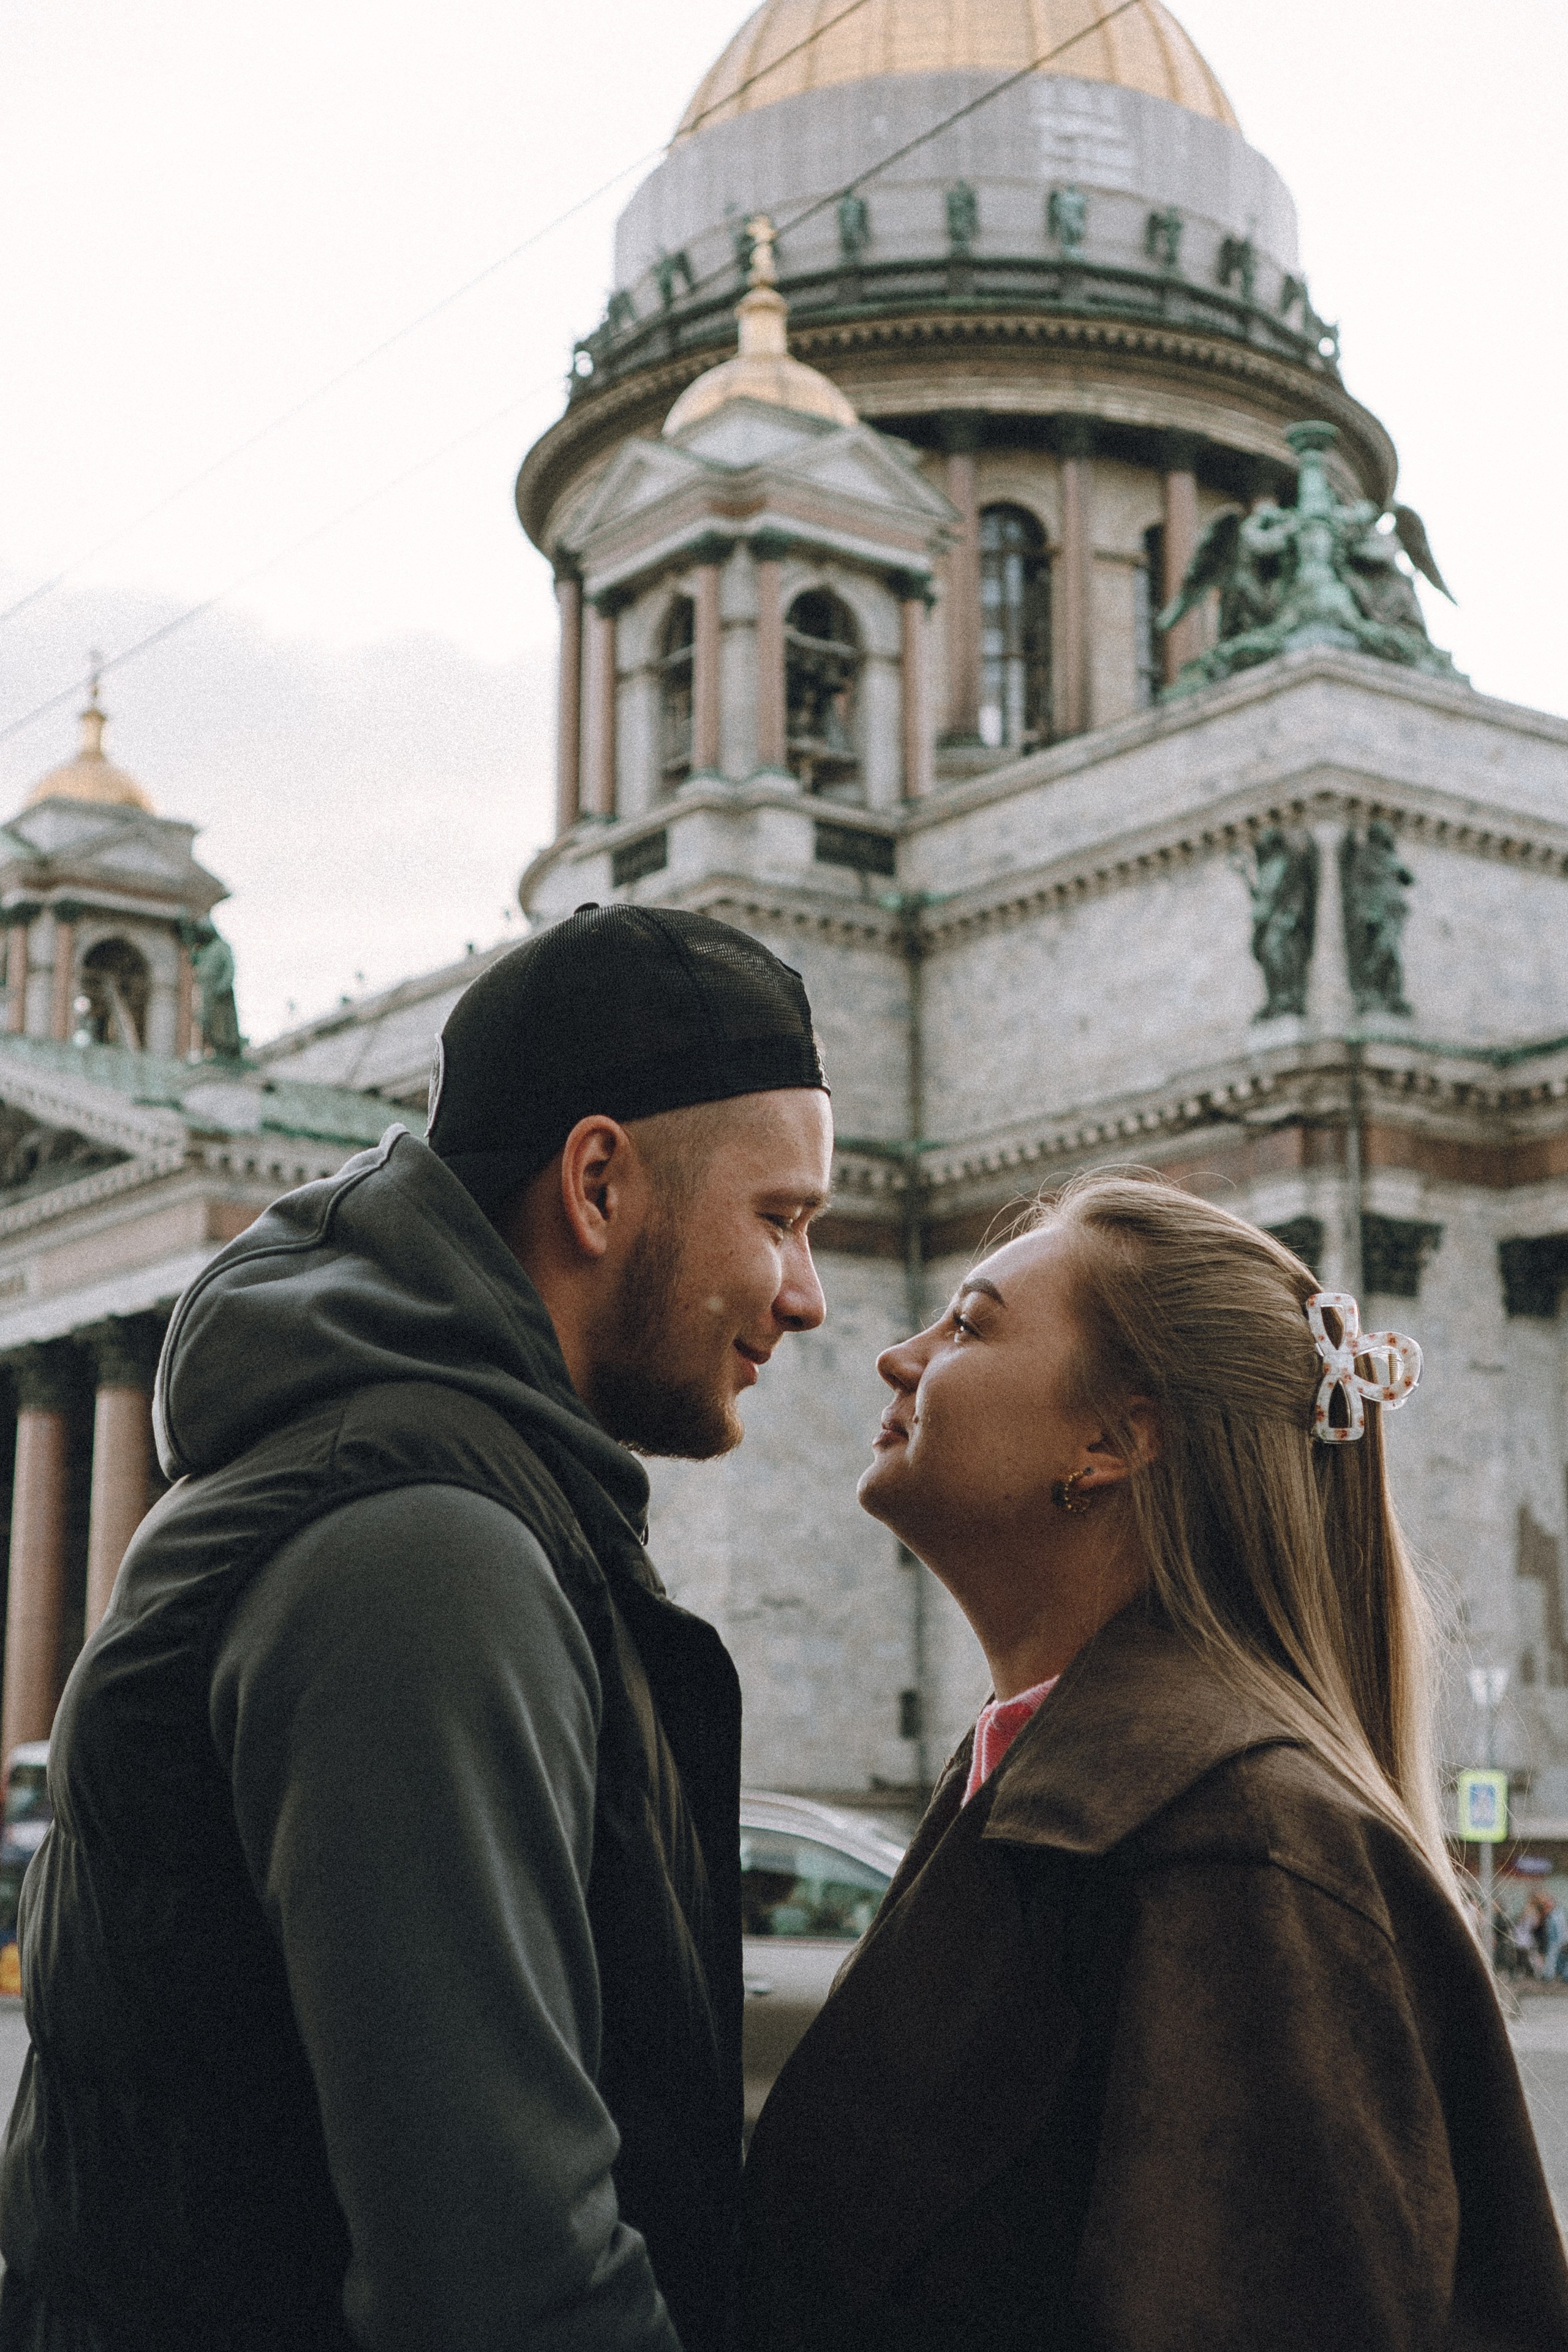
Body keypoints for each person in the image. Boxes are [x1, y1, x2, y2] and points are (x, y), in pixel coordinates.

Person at [0, 905, 833, 2352]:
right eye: (780, 1220)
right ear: (594, 1183)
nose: (810, 1297)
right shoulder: (422, 1551)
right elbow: (503, 2287)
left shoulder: (425, 1484)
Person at [741, 1170, 1568, 2351]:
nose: (897, 1356)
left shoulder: (1242, 1848)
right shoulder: (1077, 1789)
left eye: (969, 1324)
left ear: (1116, 1439)